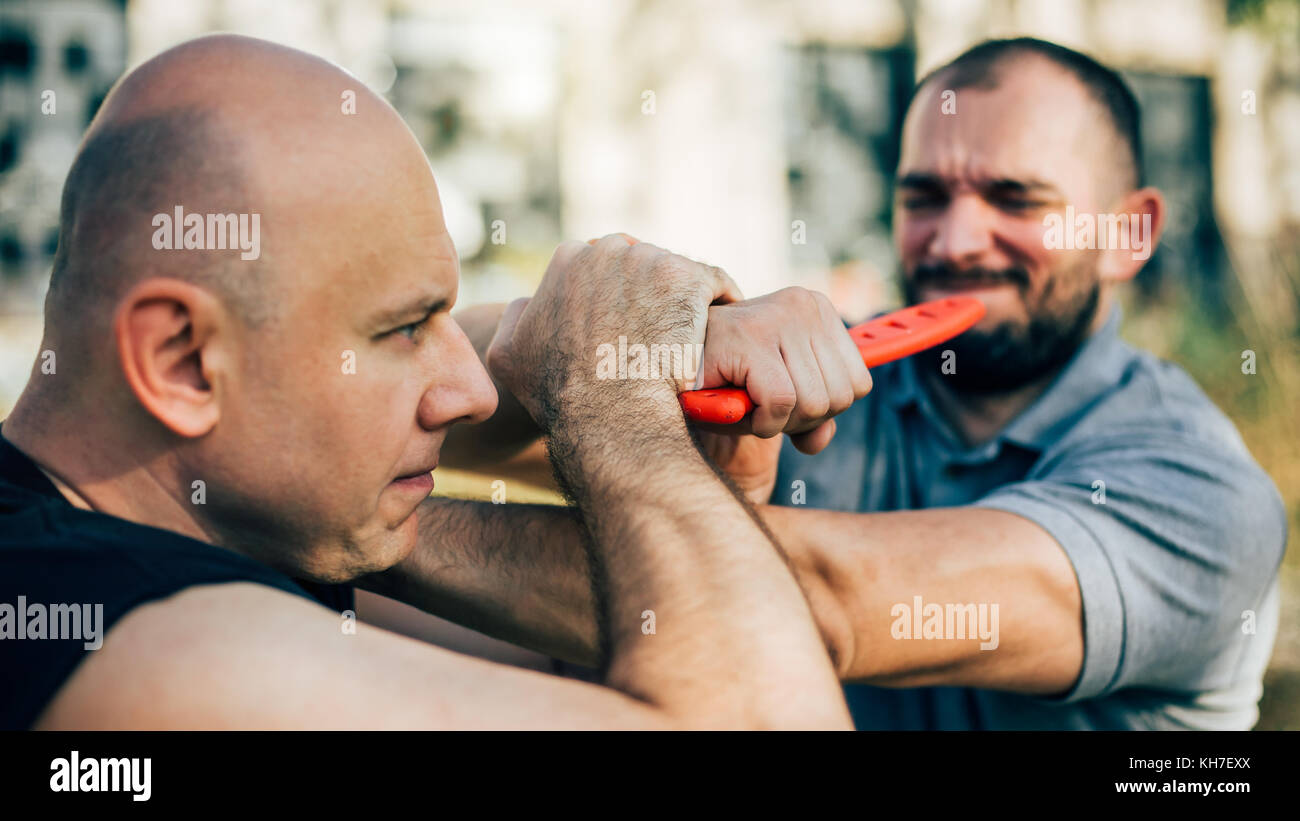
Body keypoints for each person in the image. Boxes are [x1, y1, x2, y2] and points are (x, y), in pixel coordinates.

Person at [0, 34, 873, 729]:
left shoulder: (203, 524)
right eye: (405, 328)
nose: (471, 390)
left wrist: (666, 344)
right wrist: (624, 421)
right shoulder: (128, 639)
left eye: (445, 320)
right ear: (182, 361)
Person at [414, 38, 1287, 730]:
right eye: (924, 196)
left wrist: (375, 537)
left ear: (1130, 233)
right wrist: (659, 338)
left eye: (1016, 199)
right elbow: (456, 395)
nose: (955, 241)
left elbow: (828, 606)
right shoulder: (810, 380)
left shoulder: (1201, 494)